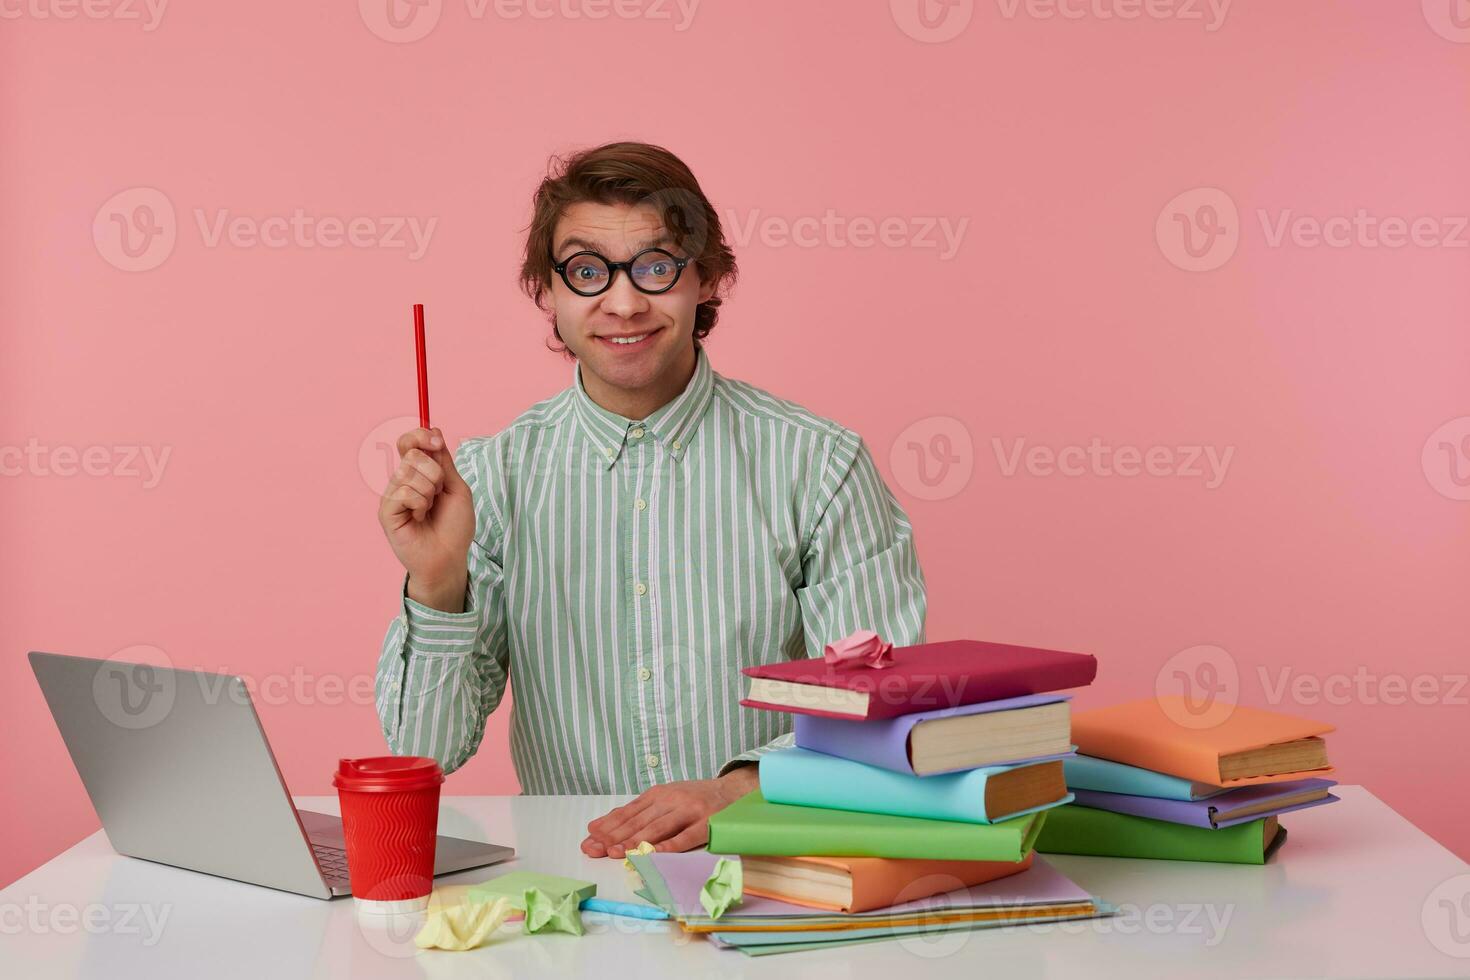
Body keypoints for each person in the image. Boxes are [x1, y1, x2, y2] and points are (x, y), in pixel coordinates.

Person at [375, 140, 927, 858]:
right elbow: (425, 752)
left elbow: (879, 713)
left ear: (707, 277)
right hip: (577, 887)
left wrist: (732, 791)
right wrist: (438, 583)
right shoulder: (490, 479)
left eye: (657, 266)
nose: (625, 302)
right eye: (586, 271)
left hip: (768, 867)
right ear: (548, 290)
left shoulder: (819, 465)